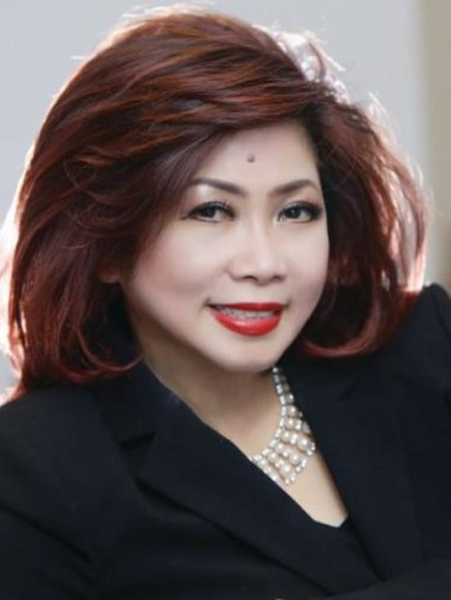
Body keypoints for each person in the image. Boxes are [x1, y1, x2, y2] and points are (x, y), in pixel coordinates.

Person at [0, 5, 450, 599]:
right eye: (211, 211)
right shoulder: (35, 471)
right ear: (105, 242)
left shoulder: (424, 347)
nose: (263, 263)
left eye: (296, 211)